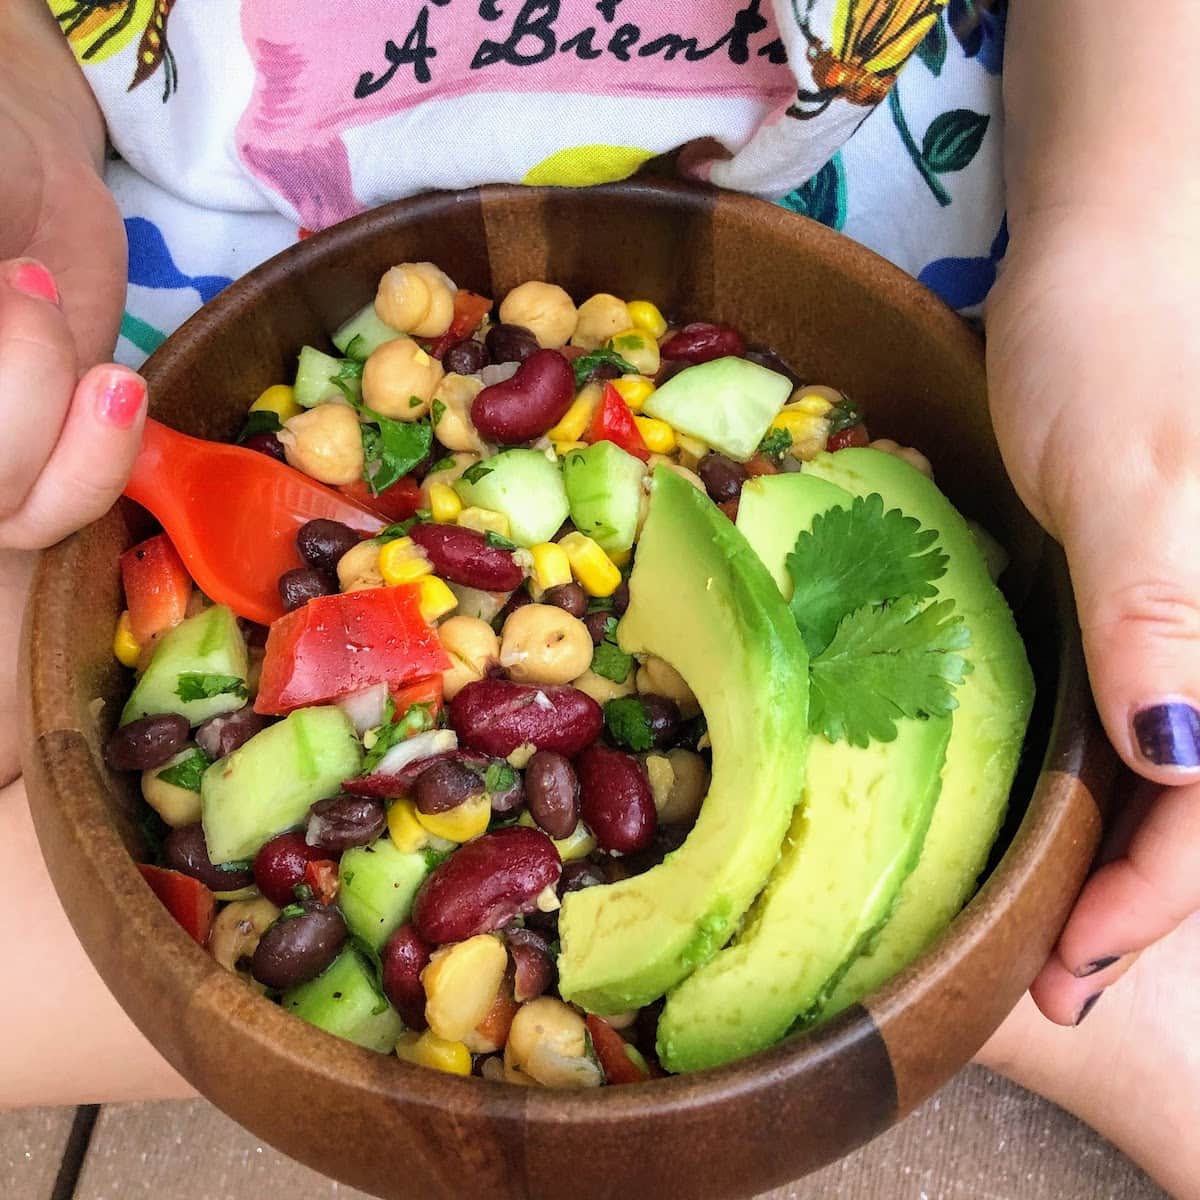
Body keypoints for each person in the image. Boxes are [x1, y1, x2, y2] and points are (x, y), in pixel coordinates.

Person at [1, 0, 1198, 1188]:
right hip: (161, 293)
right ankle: (1001, 986)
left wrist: (1126, 244)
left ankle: (971, 958)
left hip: (958, 241)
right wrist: (26, 125)